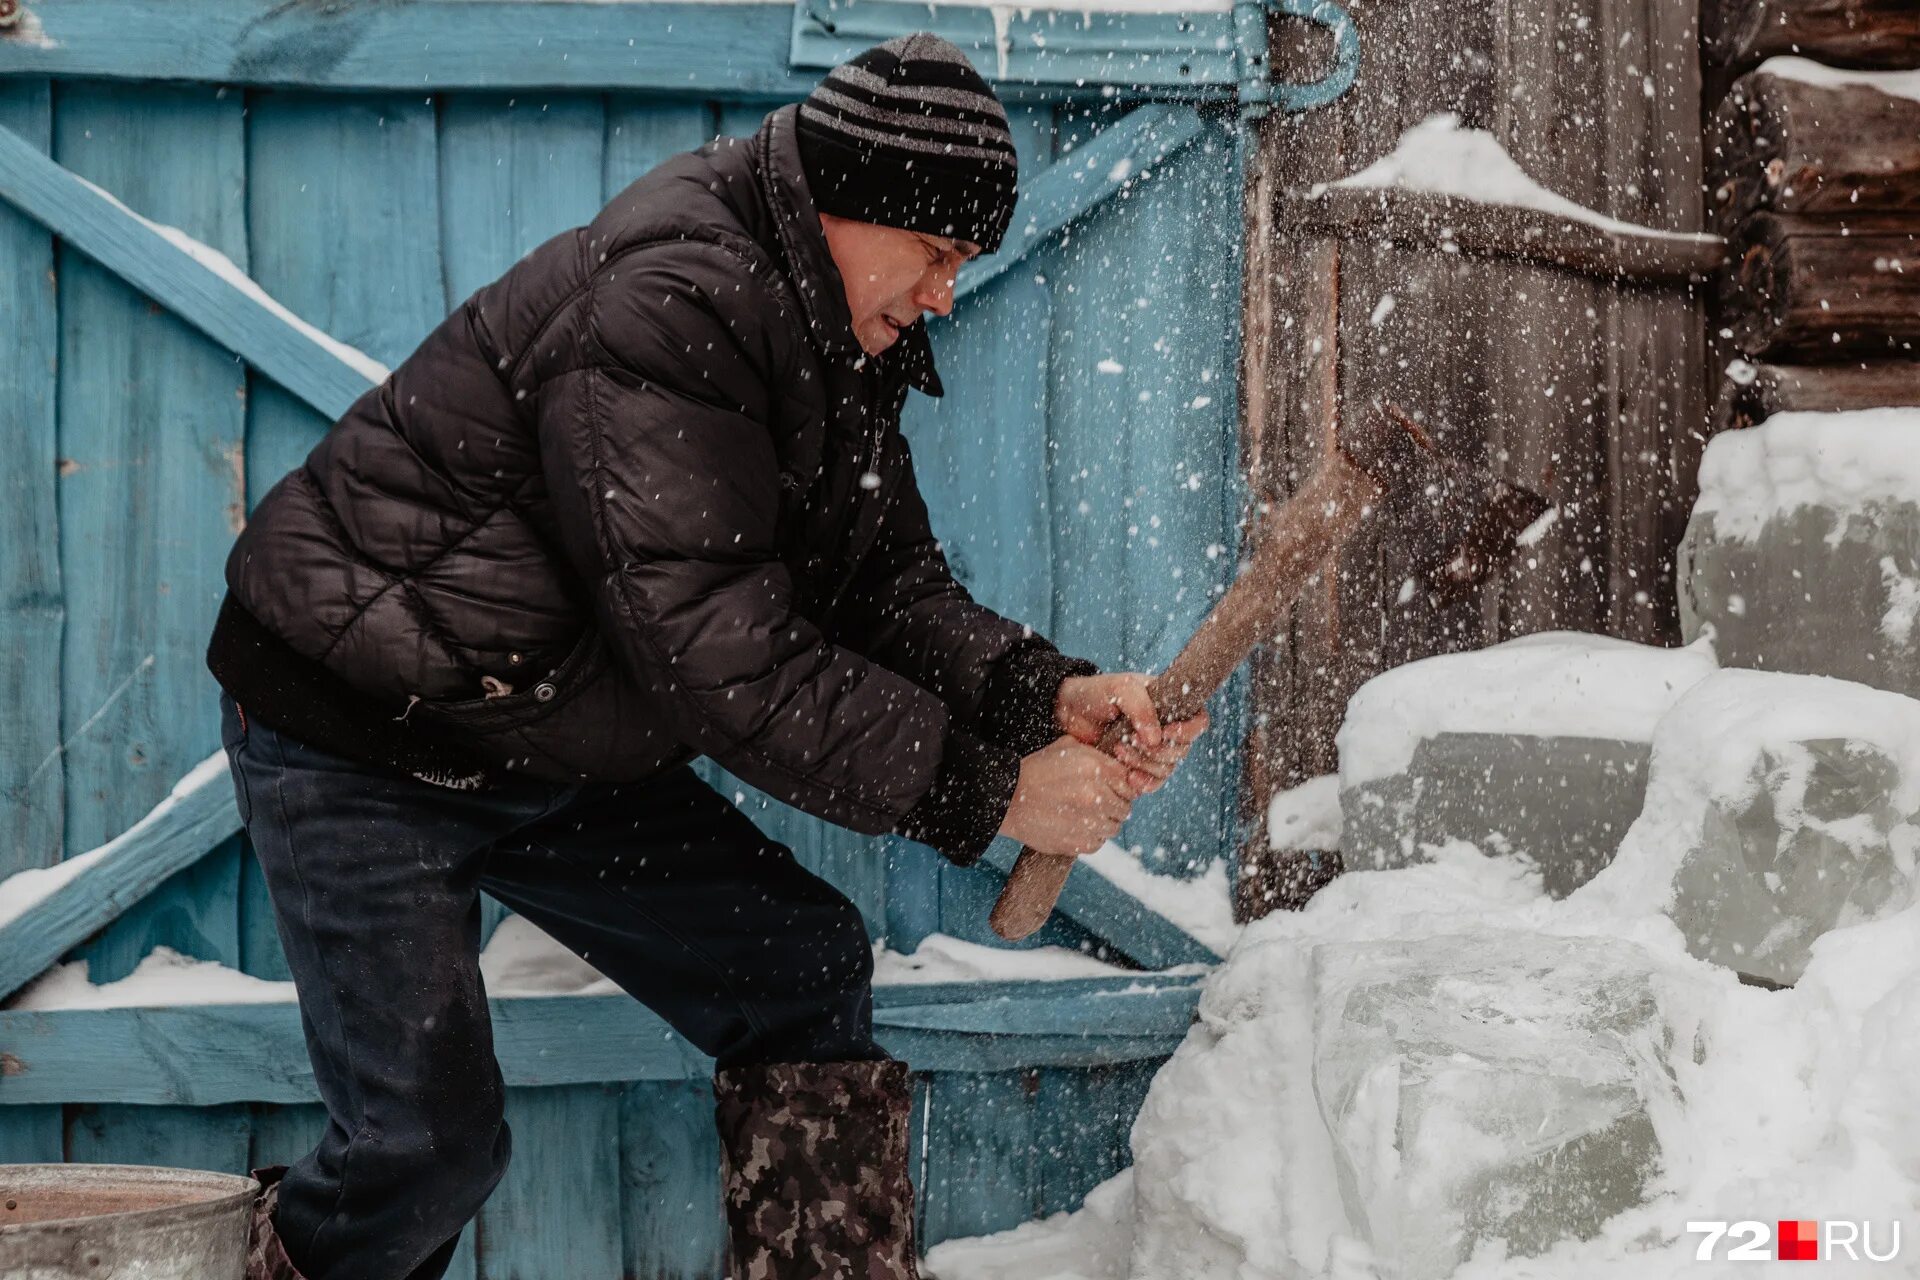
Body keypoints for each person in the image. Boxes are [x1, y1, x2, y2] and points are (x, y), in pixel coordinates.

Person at [209, 32, 1208, 1280]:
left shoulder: (838, 327)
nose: (948, 292)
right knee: (425, 1148)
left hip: (549, 725)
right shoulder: (671, 299)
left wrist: (1040, 689)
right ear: (855, 208)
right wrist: (995, 791)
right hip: (367, 738)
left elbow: (881, 579)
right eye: (940, 254)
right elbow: (727, 659)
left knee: (799, 967)